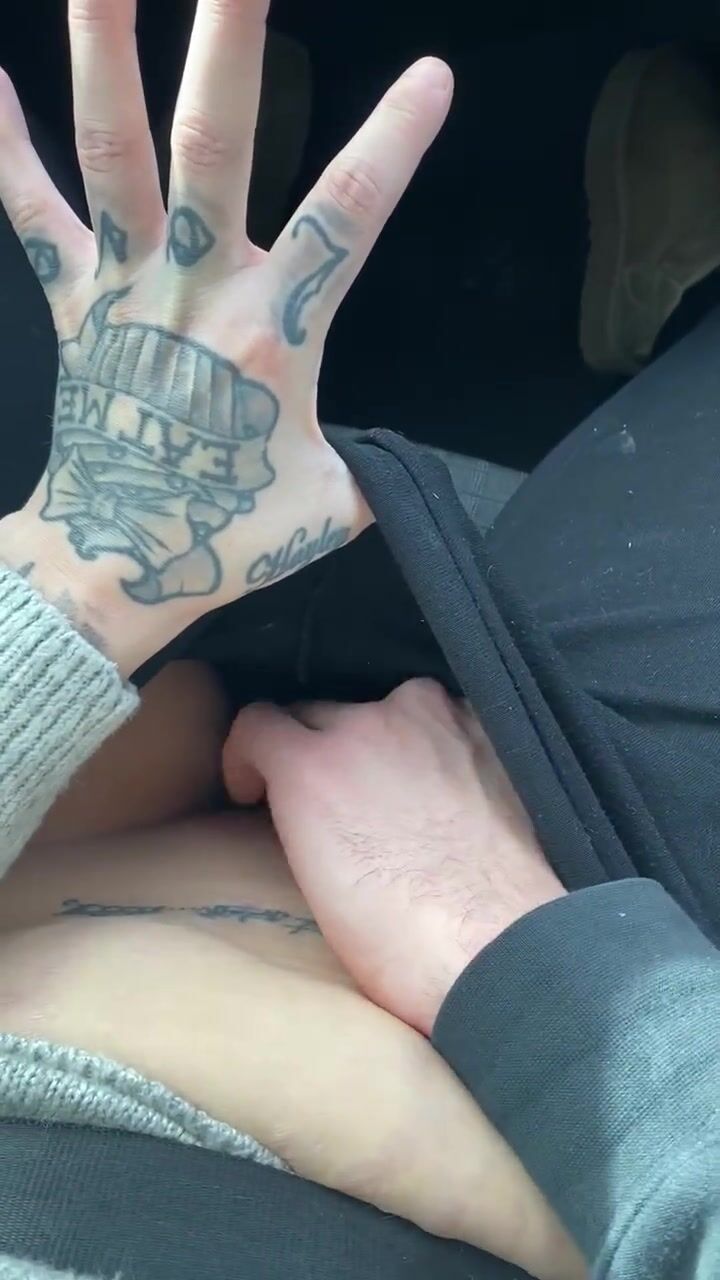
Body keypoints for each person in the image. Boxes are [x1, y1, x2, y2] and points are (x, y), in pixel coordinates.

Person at [0, 4, 719, 1280]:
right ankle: (680, 284)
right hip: (604, 979)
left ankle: (242, 234)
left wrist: (78, 583)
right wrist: (524, 956)